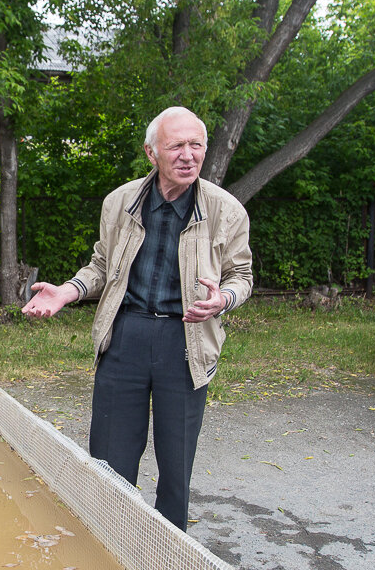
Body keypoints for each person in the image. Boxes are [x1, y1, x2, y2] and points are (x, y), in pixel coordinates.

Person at [21, 106, 253, 530]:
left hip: (185, 342)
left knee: (175, 466)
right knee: (110, 458)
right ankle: (111, 541)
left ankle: (168, 558)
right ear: (152, 153)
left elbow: (242, 276)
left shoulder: (227, 211)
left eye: (196, 145)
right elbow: (100, 267)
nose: (188, 155)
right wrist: (67, 292)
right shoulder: (120, 202)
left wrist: (224, 301)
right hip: (124, 336)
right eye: (177, 145)